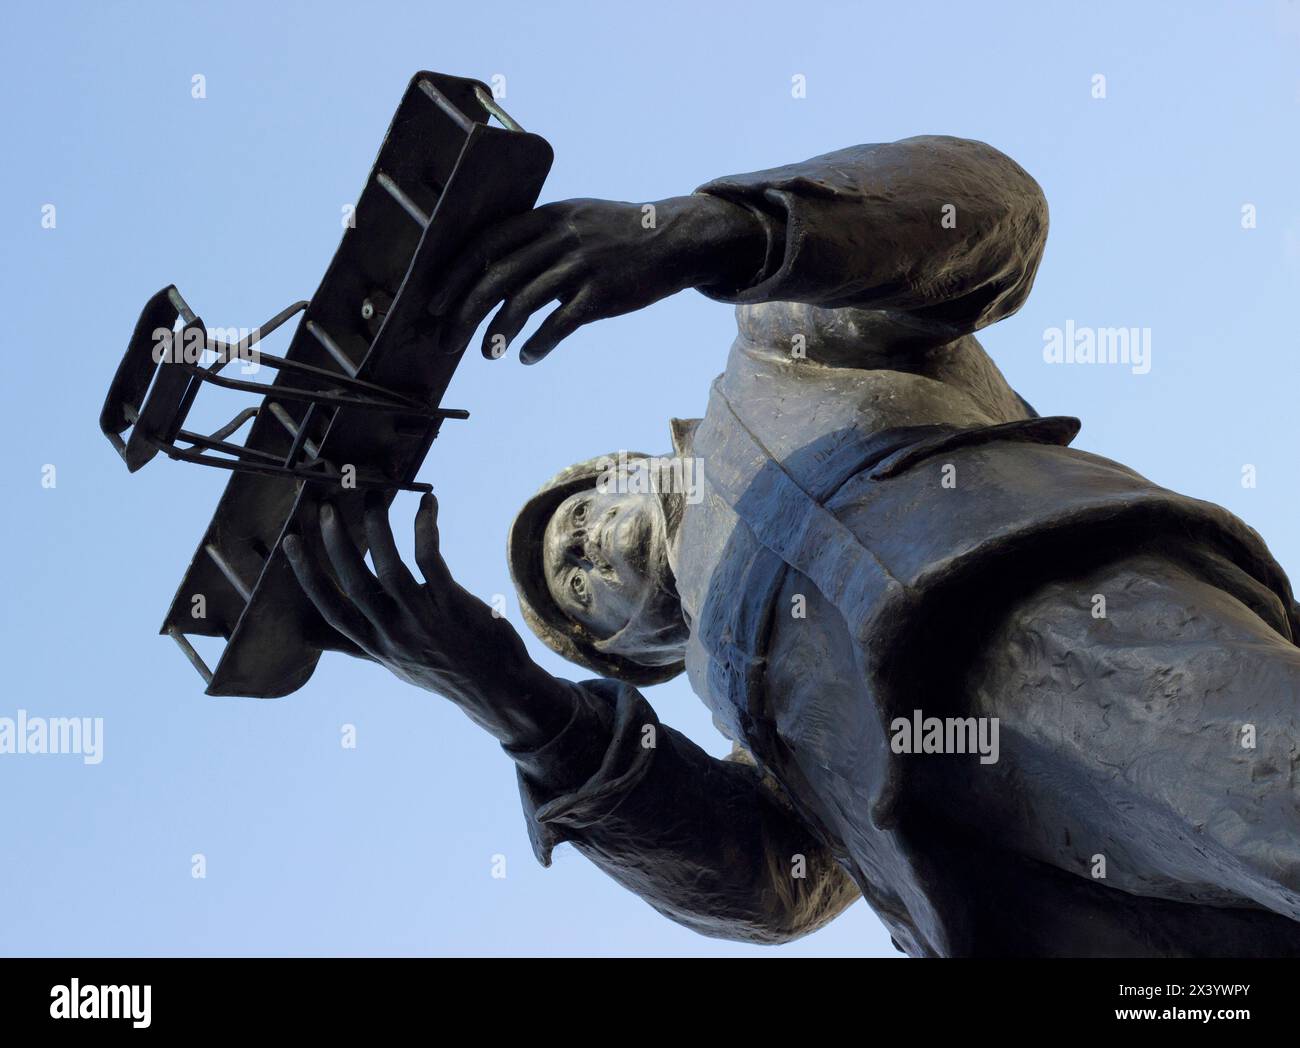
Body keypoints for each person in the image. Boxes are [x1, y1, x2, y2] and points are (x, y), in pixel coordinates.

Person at [284, 136, 1300, 956]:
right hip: (990, 903)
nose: (586, 556)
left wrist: (717, 233)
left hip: (1054, 631)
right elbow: (780, 887)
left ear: (633, 464)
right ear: (638, 657)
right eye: (576, 591)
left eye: (576, 521)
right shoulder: (749, 709)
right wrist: (517, 703)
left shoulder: (778, 358)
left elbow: (997, 217)